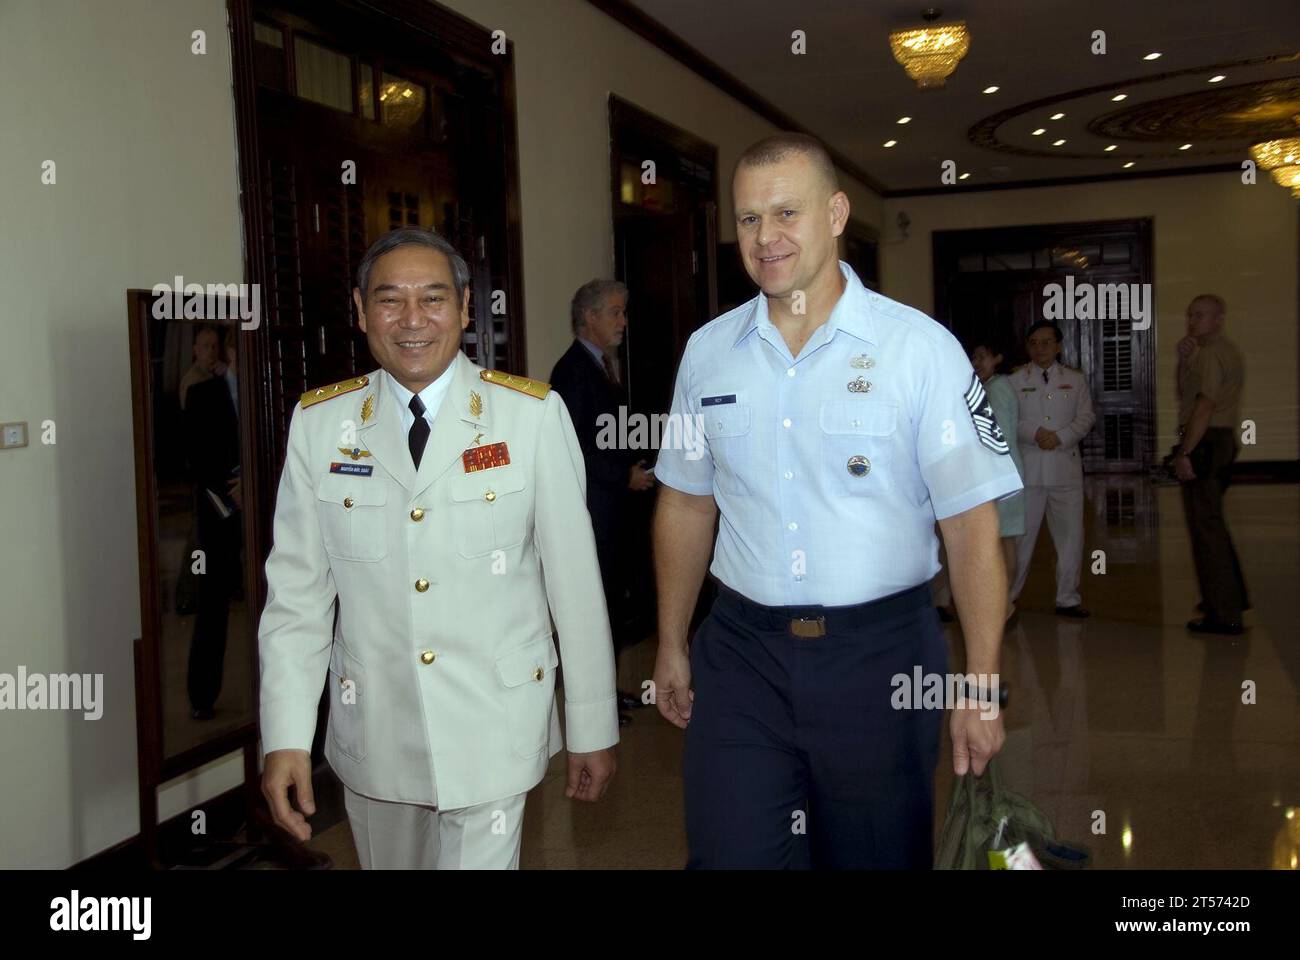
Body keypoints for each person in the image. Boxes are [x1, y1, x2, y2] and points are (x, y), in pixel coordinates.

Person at [651, 133, 1022, 869]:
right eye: (750, 219)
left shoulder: (918, 349)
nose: (767, 238)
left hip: (879, 658)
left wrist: (980, 685)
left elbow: (973, 530)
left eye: (787, 212)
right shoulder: (709, 352)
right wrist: (670, 641)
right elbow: (686, 504)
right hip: (742, 656)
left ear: (837, 213)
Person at [258, 227, 618, 869]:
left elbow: (575, 584)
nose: (413, 320)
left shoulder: (529, 416)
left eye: (433, 298)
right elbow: (297, 599)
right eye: (390, 300)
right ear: (361, 310)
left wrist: (592, 725)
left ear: (465, 308)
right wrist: (285, 736)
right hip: (376, 729)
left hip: (494, 725)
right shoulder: (321, 427)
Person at [549, 279, 654, 726]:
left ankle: (606, 695)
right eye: (615, 312)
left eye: (623, 312)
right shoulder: (573, 371)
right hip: (594, 512)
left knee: (611, 605)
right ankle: (591, 704)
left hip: (614, 512)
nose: (623, 322)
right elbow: (571, 449)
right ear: (589, 317)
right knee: (593, 609)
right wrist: (622, 475)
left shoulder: (603, 366)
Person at [1008, 321, 1095, 617]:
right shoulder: (1015, 380)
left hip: (1064, 467)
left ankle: (1068, 598)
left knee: (1071, 537)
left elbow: (1086, 418)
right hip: (1030, 468)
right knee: (1021, 539)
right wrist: (1034, 433)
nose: (1039, 348)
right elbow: (1009, 419)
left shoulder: (1075, 379)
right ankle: (1008, 597)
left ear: (1058, 346)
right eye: (1033, 342)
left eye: (1046, 342)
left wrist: (1060, 436)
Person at [1174, 294, 1248, 635]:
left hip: (1208, 440)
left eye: (1201, 315)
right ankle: (1228, 597)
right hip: (1214, 438)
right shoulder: (1206, 353)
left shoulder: (1214, 354)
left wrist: (1185, 452)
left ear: (1219, 319)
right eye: (1191, 315)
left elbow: (1203, 406)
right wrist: (1183, 362)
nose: (1193, 321)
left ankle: (1225, 612)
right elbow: (1185, 395)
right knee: (1211, 524)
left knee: (1206, 529)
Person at [184, 325, 242, 719]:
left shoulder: (268, 390)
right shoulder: (201, 393)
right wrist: (230, 493)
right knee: (212, 601)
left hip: (270, 509)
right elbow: (194, 461)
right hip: (218, 509)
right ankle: (202, 696)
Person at [971, 341, 1025, 622]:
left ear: (998, 358)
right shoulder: (989, 388)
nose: (976, 362)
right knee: (1002, 541)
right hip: (1000, 474)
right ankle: (1003, 605)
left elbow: (996, 437)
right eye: (973, 357)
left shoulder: (998, 389)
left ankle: (1005, 606)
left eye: (983, 356)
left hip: (1001, 476)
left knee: (1003, 542)